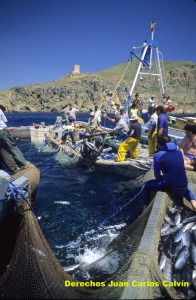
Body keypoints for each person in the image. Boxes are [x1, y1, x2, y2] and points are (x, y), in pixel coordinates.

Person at [142, 134, 196, 210]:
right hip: (183, 184)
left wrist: (162, 178)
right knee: (185, 187)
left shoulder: (157, 155)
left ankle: (145, 208)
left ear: (159, 144)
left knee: (147, 185)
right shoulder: (179, 152)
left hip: (169, 184)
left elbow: (157, 175)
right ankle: (194, 204)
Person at [0, 105, 28, 174]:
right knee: (12, 147)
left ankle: (14, 169)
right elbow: (4, 121)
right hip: (2, 132)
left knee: (4, 151)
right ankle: (22, 164)